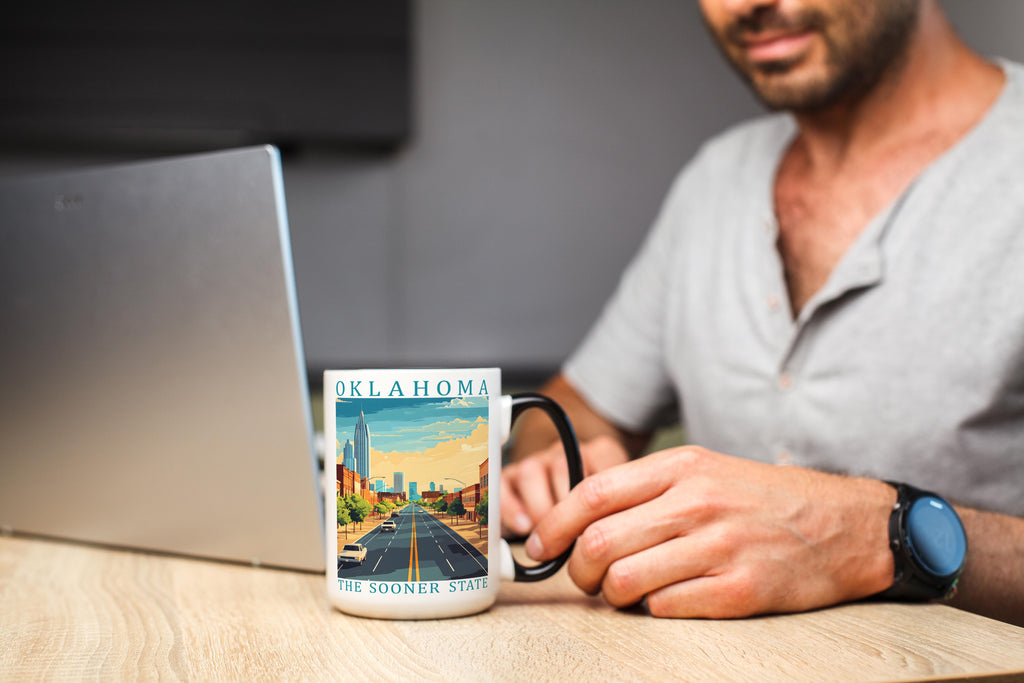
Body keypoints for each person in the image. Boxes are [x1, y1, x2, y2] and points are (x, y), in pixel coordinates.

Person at [500, 0, 1024, 626]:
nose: (748, 4)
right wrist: (562, 462)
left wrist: (874, 536)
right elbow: (575, 408)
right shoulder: (714, 182)